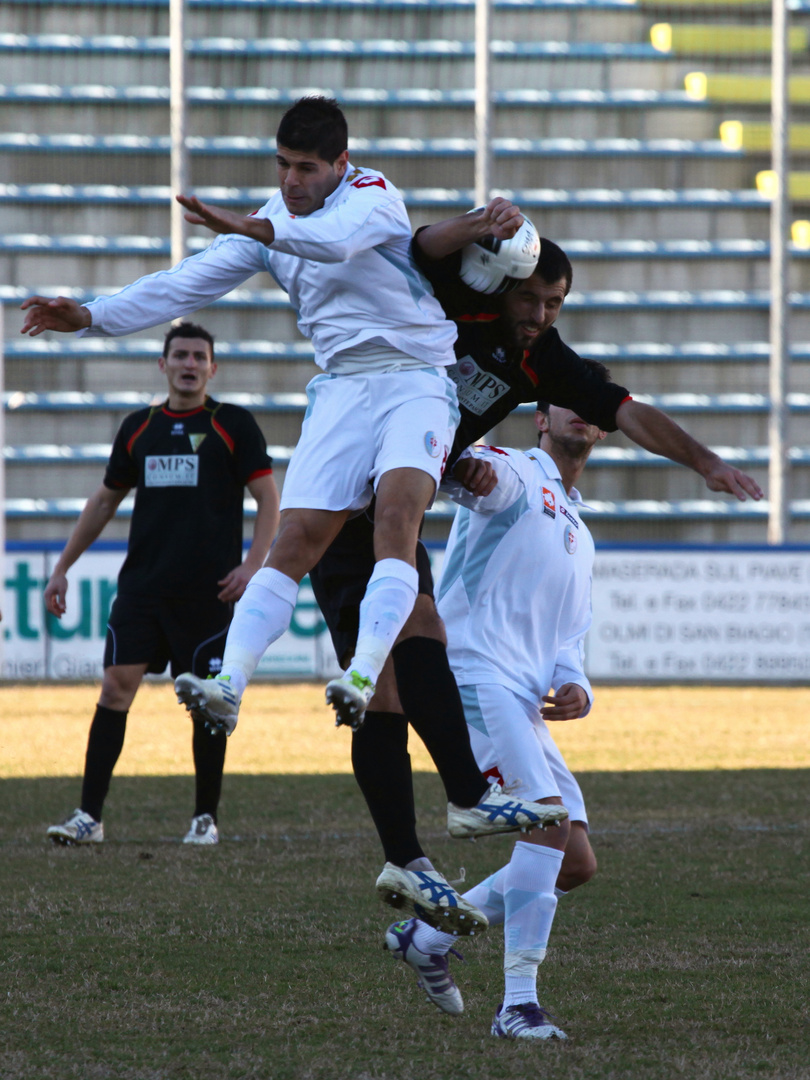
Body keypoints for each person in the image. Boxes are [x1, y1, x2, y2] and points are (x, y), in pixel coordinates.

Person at [22, 100, 555, 914]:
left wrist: (257, 227)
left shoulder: (373, 195)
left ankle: (366, 674)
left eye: (306, 168)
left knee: (396, 523)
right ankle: (228, 683)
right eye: (283, 166)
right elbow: (184, 281)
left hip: (413, 377)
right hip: (342, 388)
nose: (292, 181)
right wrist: (93, 316)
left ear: (341, 162)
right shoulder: (272, 217)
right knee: (297, 542)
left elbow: (334, 243)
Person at [308, 204, 764, 930]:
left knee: (415, 641)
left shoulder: (540, 359)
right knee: (389, 686)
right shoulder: (445, 313)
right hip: (344, 501)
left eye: (555, 304)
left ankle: (441, 827)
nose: (541, 314)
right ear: (501, 283)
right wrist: (475, 223)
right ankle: (415, 841)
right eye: (531, 298)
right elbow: (422, 251)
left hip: (397, 515)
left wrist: (705, 461)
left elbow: (627, 409)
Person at [384, 382, 608, 1038]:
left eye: (594, 407)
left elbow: (568, 638)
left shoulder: (578, 527)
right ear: (542, 420)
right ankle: (517, 1006)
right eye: (570, 400)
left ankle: (425, 938)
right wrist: (463, 466)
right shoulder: (519, 471)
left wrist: (577, 686)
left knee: (574, 861)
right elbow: (478, 475)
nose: (582, 412)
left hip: (523, 700)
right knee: (544, 821)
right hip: (475, 675)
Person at [44, 323, 279, 845]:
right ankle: (89, 817)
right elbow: (104, 502)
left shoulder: (232, 424)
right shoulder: (138, 427)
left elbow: (268, 499)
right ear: (164, 364)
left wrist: (253, 565)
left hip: (209, 591)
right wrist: (62, 566)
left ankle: (205, 819)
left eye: (199, 356)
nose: (190, 364)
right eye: (180, 355)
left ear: (212, 367)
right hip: (143, 589)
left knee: (207, 705)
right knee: (114, 689)